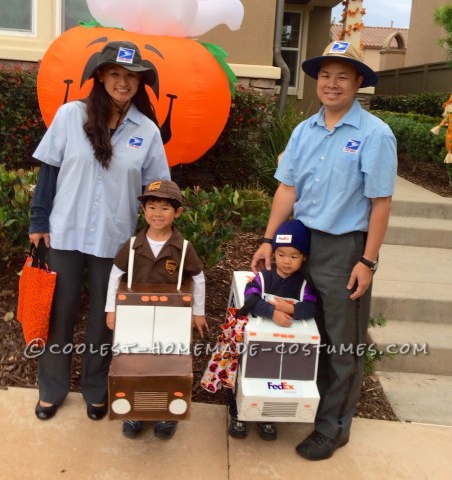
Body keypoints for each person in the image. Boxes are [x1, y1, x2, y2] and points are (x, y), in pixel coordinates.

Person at [251, 40, 397, 460]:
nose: (332, 84)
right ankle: (309, 404)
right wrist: (268, 239)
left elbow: (380, 203)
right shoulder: (304, 130)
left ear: (357, 84)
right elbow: (287, 188)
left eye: (343, 77)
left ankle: (333, 427)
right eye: (326, 76)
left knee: (340, 340)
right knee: (301, 329)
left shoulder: (374, 134)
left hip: (344, 247)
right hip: (300, 243)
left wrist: (367, 261)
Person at [29, 41, 170, 421]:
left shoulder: (147, 131)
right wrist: (38, 222)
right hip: (66, 232)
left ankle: (94, 388)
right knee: (60, 313)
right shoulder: (70, 115)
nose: (122, 82)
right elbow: (50, 170)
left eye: (131, 76)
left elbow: (158, 189)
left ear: (140, 83)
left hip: (115, 240)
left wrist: (155, 236)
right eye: (115, 74)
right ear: (100, 77)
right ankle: (52, 388)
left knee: (104, 319)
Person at [105, 179, 209, 439]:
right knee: (135, 361)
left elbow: (198, 278)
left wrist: (198, 312)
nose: (157, 214)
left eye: (165, 208)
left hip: (171, 319)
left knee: (168, 361)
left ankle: (166, 414)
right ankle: (134, 412)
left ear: (178, 212)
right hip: (134, 318)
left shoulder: (182, 248)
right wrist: (112, 309)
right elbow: (115, 275)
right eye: (152, 207)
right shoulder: (132, 246)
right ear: (144, 211)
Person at [227, 219, 317, 441]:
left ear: (304, 257)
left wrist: (290, 308)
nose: (287, 261)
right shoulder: (264, 278)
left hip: (286, 345)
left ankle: (267, 416)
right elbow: (250, 298)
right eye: (281, 254)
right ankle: (237, 413)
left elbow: (312, 306)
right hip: (255, 342)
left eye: (294, 256)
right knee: (244, 373)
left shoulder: (304, 284)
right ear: (273, 254)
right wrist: (272, 312)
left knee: (276, 379)